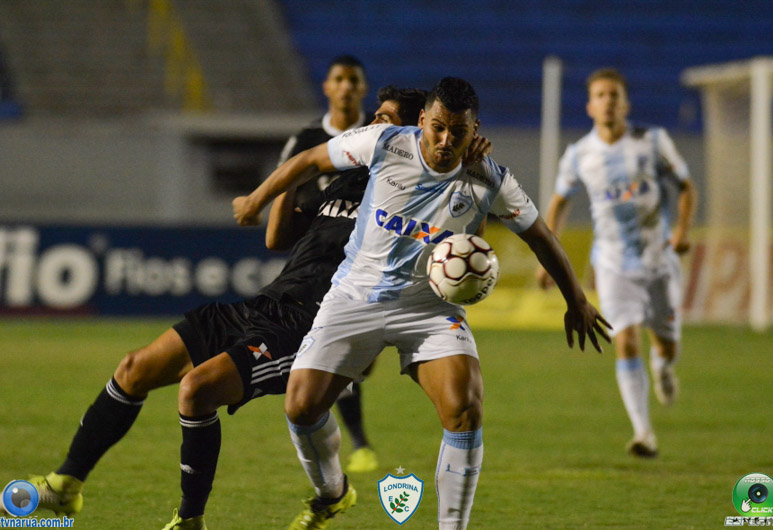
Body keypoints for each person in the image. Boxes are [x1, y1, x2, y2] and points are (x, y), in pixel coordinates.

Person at [22, 85, 432, 530]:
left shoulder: (413, 196)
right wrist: (293, 173)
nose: (373, 124)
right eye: (375, 116)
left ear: (414, 133)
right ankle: (65, 487)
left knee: (198, 390)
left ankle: (190, 520)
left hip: (311, 325)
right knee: (134, 368)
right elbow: (277, 239)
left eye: (386, 119)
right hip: (267, 303)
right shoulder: (347, 178)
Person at [233, 76, 610, 530]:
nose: (446, 140)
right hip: (356, 296)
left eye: (458, 131)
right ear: (422, 121)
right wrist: (256, 199)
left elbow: (541, 236)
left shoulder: (489, 178)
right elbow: (310, 159)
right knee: (300, 406)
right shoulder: (385, 143)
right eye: (438, 127)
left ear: (475, 130)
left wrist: (576, 300)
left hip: (430, 309)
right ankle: (332, 492)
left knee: (465, 408)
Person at [536, 68, 697, 458]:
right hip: (611, 264)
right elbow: (559, 202)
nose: (608, 101)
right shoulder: (579, 154)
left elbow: (686, 187)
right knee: (624, 339)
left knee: (667, 344)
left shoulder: (652, 141)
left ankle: (663, 366)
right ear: (590, 106)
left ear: (626, 104)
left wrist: (681, 230)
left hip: (658, 259)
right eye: (600, 95)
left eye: (614, 95)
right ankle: (643, 433)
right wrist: (547, 258)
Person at [277, 54, 380, 474]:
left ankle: (344, 452)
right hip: (317, 262)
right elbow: (283, 183)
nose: (347, 86)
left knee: (342, 359)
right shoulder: (306, 139)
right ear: (327, 87)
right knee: (330, 357)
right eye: (339, 78)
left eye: (354, 80)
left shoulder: (380, 134)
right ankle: (357, 446)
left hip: (367, 262)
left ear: (363, 88)